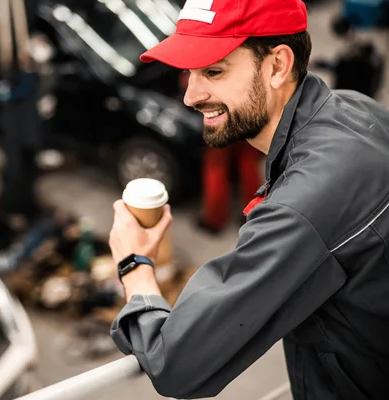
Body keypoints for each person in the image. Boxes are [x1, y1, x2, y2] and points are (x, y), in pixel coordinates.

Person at [107, 0, 389, 399]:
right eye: (190, 71)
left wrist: (134, 263)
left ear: (278, 65)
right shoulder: (354, 108)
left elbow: (174, 362)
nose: (191, 95)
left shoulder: (304, 206)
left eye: (214, 71)